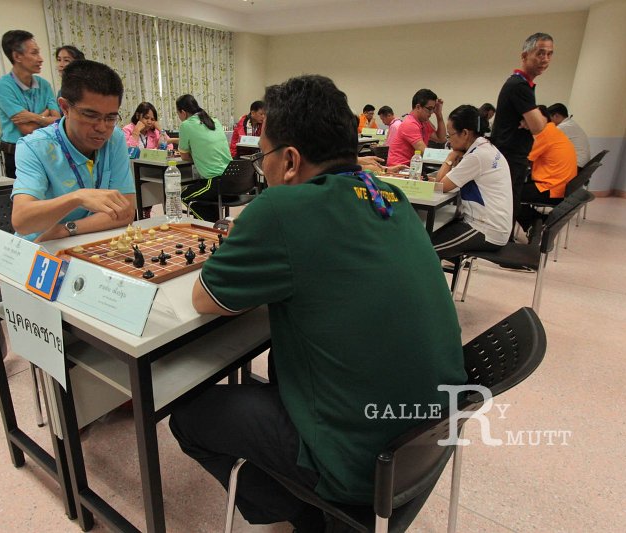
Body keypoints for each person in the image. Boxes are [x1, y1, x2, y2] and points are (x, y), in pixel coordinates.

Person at [169, 74, 466, 533]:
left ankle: (308, 515)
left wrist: (251, 230)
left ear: (290, 160)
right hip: (425, 442)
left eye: (262, 157)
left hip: (358, 463)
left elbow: (204, 298)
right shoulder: (388, 194)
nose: (262, 170)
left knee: (188, 418)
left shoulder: (281, 209)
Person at [11, 60, 135, 242]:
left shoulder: (114, 138)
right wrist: (77, 198)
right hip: (40, 246)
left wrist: (66, 229)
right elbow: (22, 221)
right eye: (91, 115)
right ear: (65, 108)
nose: (102, 127)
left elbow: (126, 212)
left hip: (83, 240)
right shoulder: (35, 147)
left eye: (110, 118)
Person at [489, 32, 554, 234]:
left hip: (513, 156)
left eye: (549, 54)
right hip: (509, 157)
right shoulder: (519, 86)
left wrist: (536, 118)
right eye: (540, 53)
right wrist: (536, 119)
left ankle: (506, 240)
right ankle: (502, 244)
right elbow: (539, 126)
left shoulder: (524, 85)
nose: (545, 59)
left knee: (511, 204)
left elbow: (539, 122)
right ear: (525, 55)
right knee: (507, 206)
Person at [430, 105, 512, 259]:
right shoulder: (485, 147)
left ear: (465, 133)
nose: (449, 140)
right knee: (431, 233)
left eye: (450, 135)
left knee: (425, 250)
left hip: (485, 229)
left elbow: (440, 185)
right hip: (493, 225)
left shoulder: (477, 156)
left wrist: (450, 157)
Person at [0, 30, 60, 179]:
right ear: (17, 56)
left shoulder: (44, 85)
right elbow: (26, 129)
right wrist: (45, 115)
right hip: (16, 154)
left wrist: (32, 117)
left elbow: (57, 120)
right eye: (34, 53)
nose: (41, 59)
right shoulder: (3, 86)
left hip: (45, 149)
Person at [516, 105, 577, 237]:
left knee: (510, 194)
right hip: (559, 185)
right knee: (515, 190)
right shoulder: (551, 130)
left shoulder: (544, 135)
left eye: (525, 120)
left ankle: (535, 223)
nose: (522, 125)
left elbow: (524, 159)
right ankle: (538, 220)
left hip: (551, 188)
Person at [176, 94, 232, 222]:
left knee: (185, 196)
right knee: (201, 195)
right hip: (234, 179)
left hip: (216, 182)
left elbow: (184, 156)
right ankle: (214, 223)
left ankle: (211, 225)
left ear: (183, 112)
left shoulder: (186, 125)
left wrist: (197, 155)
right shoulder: (214, 121)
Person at [386, 89, 446, 167]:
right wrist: (450, 157)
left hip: (413, 166)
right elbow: (424, 152)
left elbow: (441, 138)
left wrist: (439, 114)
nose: (431, 113)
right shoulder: (410, 124)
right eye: (429, 109)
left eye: (433, 109)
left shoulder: (424, 122)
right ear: (418, 107)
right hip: (399, 168)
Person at [547, 103, 590, 169]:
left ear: (556, 116)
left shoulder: (563, 127)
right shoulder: (570, 124)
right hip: (580, 164)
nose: (549, 121)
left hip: (575, 165)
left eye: (549, 118)